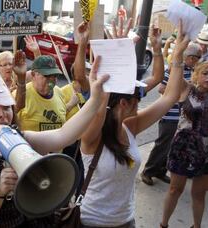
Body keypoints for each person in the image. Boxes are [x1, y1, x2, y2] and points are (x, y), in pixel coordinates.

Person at [0, 53, 109, 227]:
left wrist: (95, 99)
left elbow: (63, 135)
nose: (2, 115)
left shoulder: (20, 139)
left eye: (6, 107)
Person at [78, 20, 189, 227]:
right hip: (92, 222)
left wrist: (178, 55)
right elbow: (101, 99)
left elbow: (170, 97)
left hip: (126, 221)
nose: (140, 101)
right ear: (123, 103)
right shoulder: (92, 136)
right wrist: (115, 57)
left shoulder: (130, 127)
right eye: (137, 98)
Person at [141, 42, 201, 186]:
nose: (198, 61)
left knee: (171, 146)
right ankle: (148, 171)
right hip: (170, 114)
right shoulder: (173, 70)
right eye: (197, 58)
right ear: (191, 58)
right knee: (162, 144)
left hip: (183, 117)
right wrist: (182, 90)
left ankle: (160, 171)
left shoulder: (194, 71)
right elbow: (161, 88)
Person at [160, 62, 208, 228]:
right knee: (175, 189)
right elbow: (176, 71)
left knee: (199, 194)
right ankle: (163, 224)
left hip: (205, 152)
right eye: (206, 73)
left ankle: (196, 226)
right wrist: (178, 52)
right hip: (182, 148)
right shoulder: (187, 89)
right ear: (197, 74)